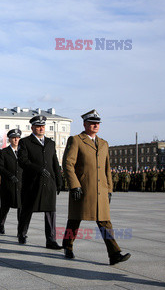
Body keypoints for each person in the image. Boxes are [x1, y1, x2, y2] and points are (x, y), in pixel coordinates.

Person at [62, 109, 131, 265]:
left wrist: (109, 189)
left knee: (105, 222)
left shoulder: (104, 143)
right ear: (85, 124)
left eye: (97, 123)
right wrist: (74, 185)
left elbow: (107, 168)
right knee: (75, 219)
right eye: (92, 123)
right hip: (83, 189)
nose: (95, 125)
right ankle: (68, 246)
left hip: (100, 191)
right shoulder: (76, 140)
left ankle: (114, 254)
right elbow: (68, 164)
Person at [17, 116, 63, 249]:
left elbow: (55, 162)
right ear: (32, 128)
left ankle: (51, 240)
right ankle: (22, 233)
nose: (41, 128)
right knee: (27, 210)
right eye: (38, 126)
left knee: (50, 211)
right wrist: (38, 169)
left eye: (43, 126)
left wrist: (59, 181)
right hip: (32, 183)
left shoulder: (50, 143)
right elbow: (23, 161)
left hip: (49, 183)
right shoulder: (25, 142)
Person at [0, 129, 23, 235]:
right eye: (14, 138)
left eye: (18, 138)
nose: (16, 140)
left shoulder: (23, 152)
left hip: (21, 185)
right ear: (10, 139)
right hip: (8, 185)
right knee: (5, 207)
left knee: (21, 208)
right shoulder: (3, 152)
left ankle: (21, 230)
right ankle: (1, 223)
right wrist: (9, 176)